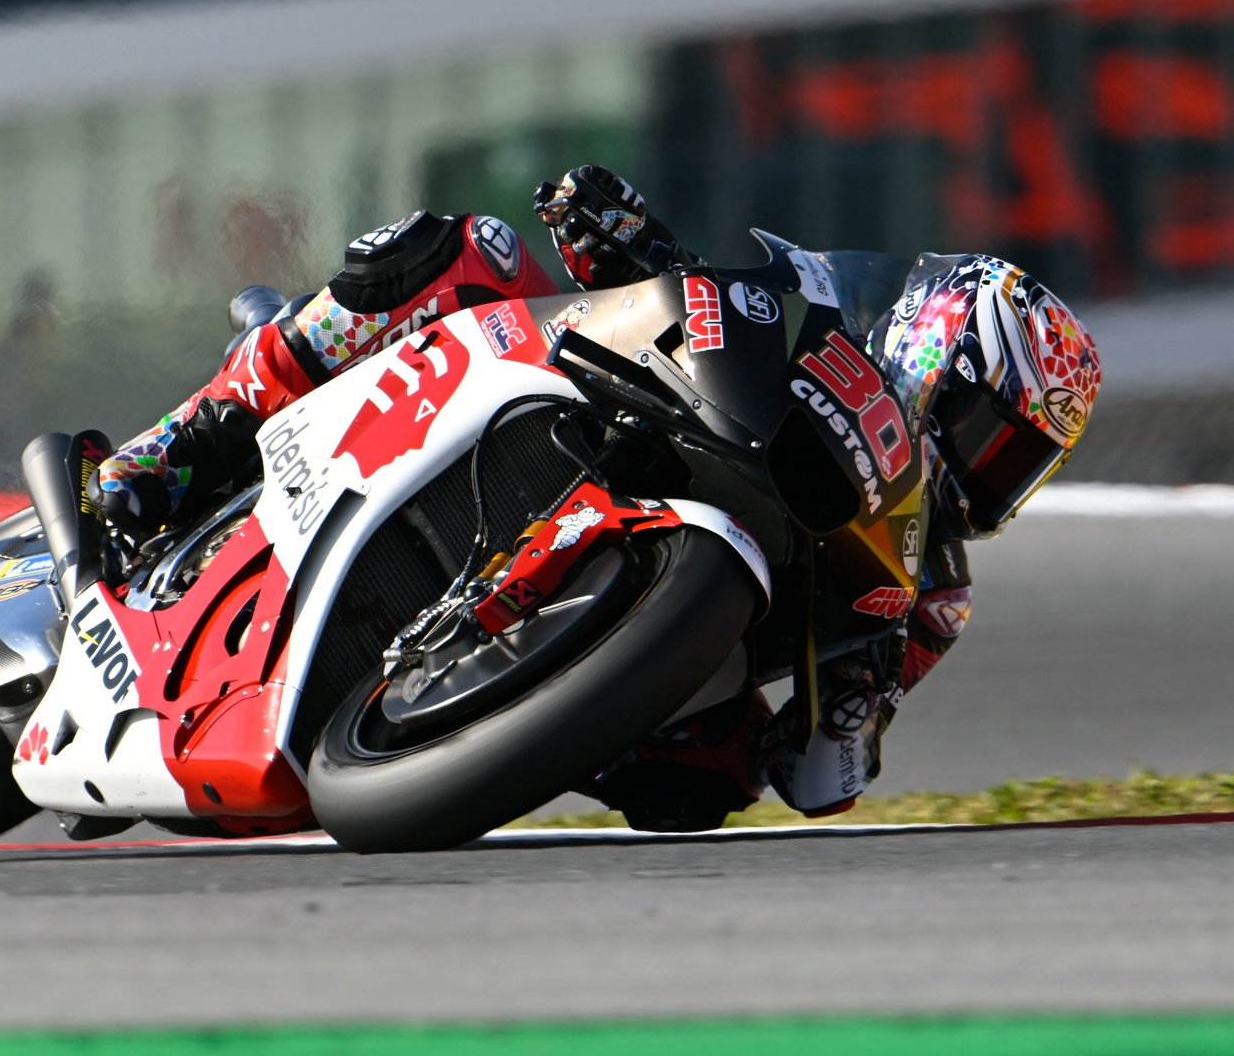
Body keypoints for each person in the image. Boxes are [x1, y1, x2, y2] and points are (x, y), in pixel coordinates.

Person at [97, 164, 1101, 832]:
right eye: (991, 435)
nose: (988, 473)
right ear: (933, 345)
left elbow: (819, 780)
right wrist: (627, 241)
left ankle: (481, 720)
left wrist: (855, 699)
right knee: (468, 250)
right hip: (589, 426)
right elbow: (683, 308)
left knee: (707, 785)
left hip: (651, 653)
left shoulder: (931, 598)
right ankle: (175, 448)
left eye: (1020, 466)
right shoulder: (817, 332)